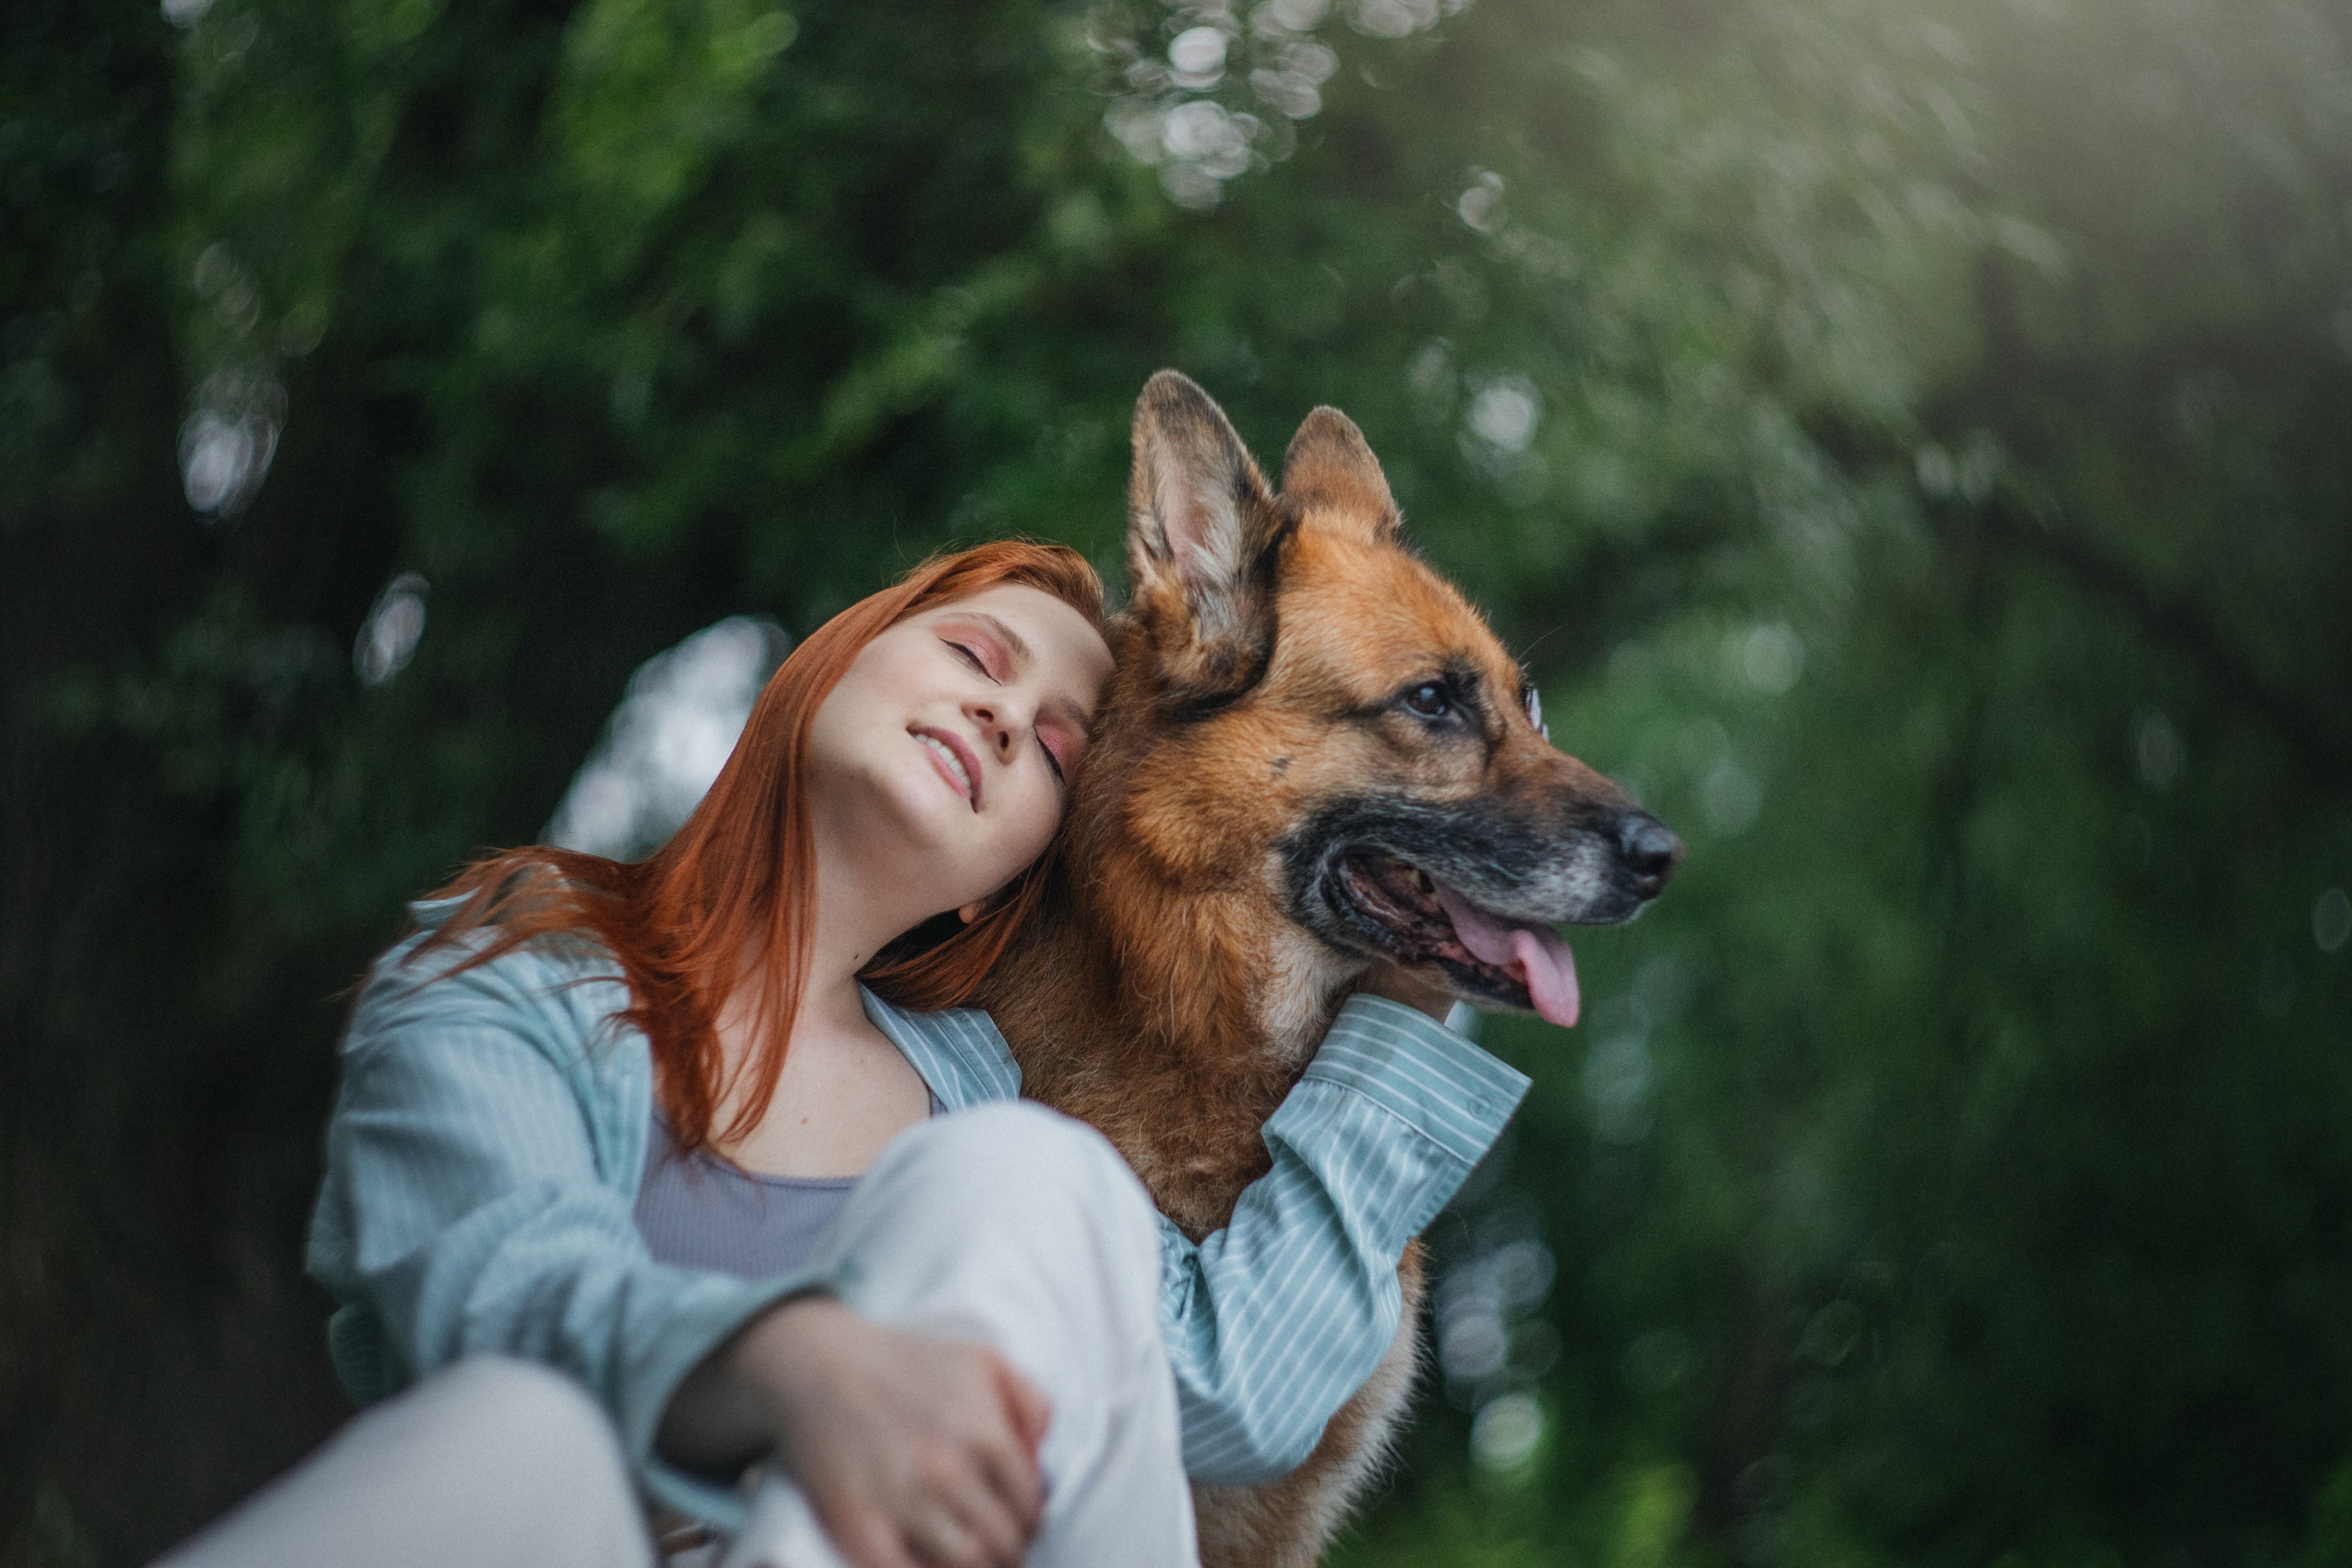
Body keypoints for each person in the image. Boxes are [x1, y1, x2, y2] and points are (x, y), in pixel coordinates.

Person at [152, 540, 1530, 1568]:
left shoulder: (988, 1106)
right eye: (978, 658)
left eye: (1057, 747)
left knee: (1025, 1179)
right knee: (524, 1435)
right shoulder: (508, 985)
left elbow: (1240, 1396)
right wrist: (791, 1366)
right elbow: (492, 1287)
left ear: (1020, 868)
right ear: (838, 655)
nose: (1003, 719)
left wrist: (1414, 994)